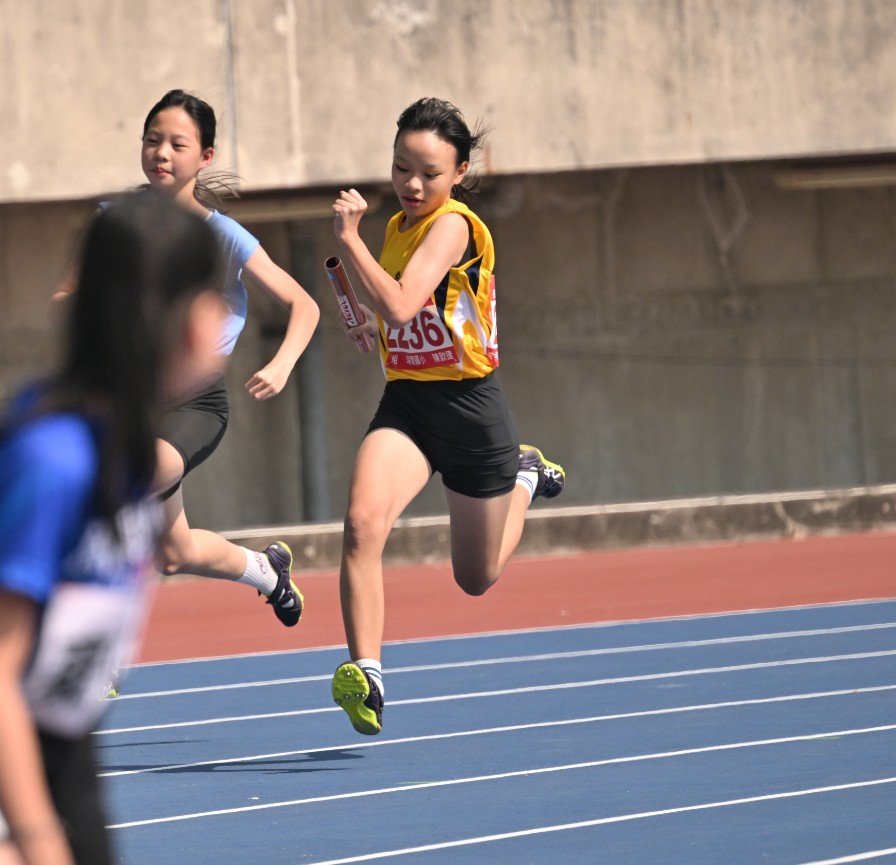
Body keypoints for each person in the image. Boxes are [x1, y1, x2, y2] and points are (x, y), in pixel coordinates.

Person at [0, 193, 230, 865]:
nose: (225, 319)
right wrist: (38, 841)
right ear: (182, 320)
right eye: (215, 299)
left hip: (52, 730)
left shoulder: (123, 447)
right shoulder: (54, 462)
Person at [327, 97, 566, 736]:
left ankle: (524, 476)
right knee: (361, 524)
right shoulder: (396, 228)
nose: (411, 184)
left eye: (429, 173)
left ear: (459, 173)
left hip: (471, 410)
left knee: (476, 578)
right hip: (408, 403)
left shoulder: (455, 226)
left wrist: (349, 241)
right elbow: (405, 316)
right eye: (401, 168)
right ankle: (368, 675)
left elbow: (404, 303)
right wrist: (373, 327)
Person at [57, 90, 321, 632]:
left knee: (121, 484)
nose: (161, 153)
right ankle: (267, 571)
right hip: (128, 397)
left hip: (193, 404)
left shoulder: (225, 236)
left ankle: (88, 637)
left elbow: (304, 304)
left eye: (177, 144)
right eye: (152, 140)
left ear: (205, 157)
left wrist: (281, 363)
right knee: (175, 554)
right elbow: (65, 297)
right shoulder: (113, 221)